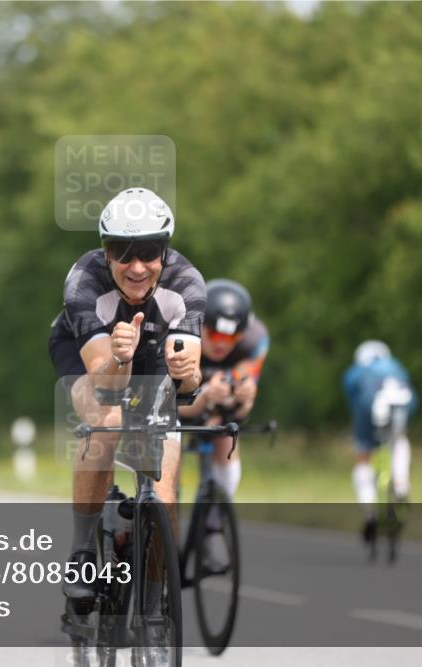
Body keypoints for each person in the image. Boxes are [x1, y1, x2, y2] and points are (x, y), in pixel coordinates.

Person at [49, 187, 206, 601]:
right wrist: (120, 356)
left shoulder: (187, 283)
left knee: (165, 495)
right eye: (123, 252)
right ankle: (83, 550)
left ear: (164, 251)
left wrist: (186, 374)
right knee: (104, 420)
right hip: (91, 354)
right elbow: (104, 383)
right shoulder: (84, 280)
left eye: (149, 252)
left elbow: (190, 381)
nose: (136, 267)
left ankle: (154, 601)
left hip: (153, 354)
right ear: (106, 252)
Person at [178, 279, 269, 566]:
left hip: (217, 397)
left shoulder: (255, 340)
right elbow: (168, 402)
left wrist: (245, 398)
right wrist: (204, 395)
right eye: (214, 334)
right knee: (167, 452)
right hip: (178, 397)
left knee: (227, 438)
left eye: (231, 338)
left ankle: (213, 526)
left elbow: (241, 403)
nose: (221, 344)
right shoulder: (181, 330)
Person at [342, 340, 416, 545]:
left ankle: (369, 512)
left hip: (369, 407)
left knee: (363, 456)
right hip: (401, 404)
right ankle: (401, 485)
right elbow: (413, 397)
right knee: (399, 441)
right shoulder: (396, 367)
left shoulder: (357, 371)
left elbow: (352, 398)